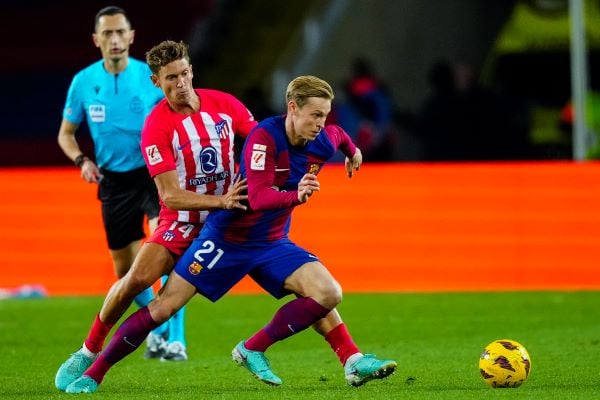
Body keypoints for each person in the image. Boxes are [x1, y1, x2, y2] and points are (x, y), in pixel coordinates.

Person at [62, 74, 397, 393]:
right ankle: (94, 371)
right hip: (226, 239)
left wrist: (353, 151)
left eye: (324, 115)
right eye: (315, 115)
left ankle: (334, 358)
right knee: (163, 307)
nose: (321, 123)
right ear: (292, 108)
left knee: (328, 293)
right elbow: (259, 196)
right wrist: (299, 195)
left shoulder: (321, 139)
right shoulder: (263, 140)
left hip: (271, 243)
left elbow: (339, 135)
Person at [53, 37, 255, 392]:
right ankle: (88, 352)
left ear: (192, 71)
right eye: (170, 79)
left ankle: (348, 354)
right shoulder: (156, 127)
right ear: (155, 82)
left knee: (296, 275)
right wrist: (222, 201)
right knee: (133, 281)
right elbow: (170, 196)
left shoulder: (226, 105)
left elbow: (263, 144)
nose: (180, 84)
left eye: (184, 74)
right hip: (182, 223)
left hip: (229, 226)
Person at [55, 5, 187, 362]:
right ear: (97, 40)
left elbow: (179, 118)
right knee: (125, 272)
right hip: (114, 182)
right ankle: (158, 328)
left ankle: (177, 339)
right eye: (107, 34)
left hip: (153, 175)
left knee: (168, 253)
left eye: (120, 32)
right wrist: (82, 160)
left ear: (131, 36)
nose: (114, 39)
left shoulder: (151, 79)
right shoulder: (83, 82)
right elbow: (66, 135)